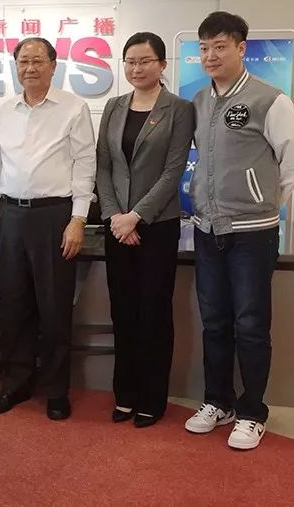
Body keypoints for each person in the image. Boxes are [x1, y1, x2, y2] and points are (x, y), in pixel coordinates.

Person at [183, 11, 294, 450]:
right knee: (214, 321)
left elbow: (293, 160)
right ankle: (218, 402)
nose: (210, 55)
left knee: (251, 324)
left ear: (241, 48)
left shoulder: (270, 100)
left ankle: (253, 411)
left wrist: (267, 202)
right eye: (204, 48)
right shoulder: (198, 101)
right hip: (207, 228)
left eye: (220, 46)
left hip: (252, 233)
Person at [0, 37, 96, 421]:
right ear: (16, 66)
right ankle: (15, 383)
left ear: (53, 65)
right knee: (14, 305)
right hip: (11, 216)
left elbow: (85, 164)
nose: (29, 68)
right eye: (23, 61)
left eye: (37, 61)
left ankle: (56, 390)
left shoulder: (73, 108)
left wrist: (77, 219)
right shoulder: (5, 110)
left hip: (54, 216)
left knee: (54, 308)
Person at [96, 31, 194, 428]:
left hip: (156, 225)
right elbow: (103, 166)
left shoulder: (179, 109)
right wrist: (114, 217)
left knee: (153, 312)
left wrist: (136, 216)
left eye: (145, 61)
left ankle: (152, 398)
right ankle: (125, 394)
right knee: (122, 312)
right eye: (131, 62)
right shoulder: (113, 106)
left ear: (162, 64)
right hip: (117, 226)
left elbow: (173, 171)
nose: (137, 68)